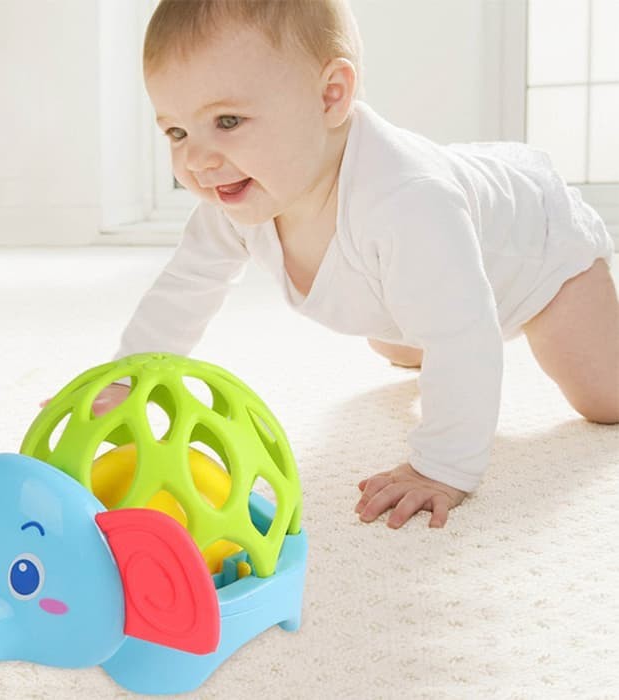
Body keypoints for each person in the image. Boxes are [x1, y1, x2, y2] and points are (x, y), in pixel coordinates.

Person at [89, 0, 619, 528]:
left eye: (227, 121)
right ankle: (423, 327)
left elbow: (465, 335)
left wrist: (441, 468)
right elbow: (186, 285)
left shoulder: (407, 203)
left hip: (539, 261)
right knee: (401, 332)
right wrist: (126, 377)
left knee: (603, 397)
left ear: (331, 96)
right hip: (436, 274)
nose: (196, 161)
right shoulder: (236, 199)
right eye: (177, 132)